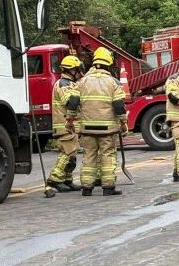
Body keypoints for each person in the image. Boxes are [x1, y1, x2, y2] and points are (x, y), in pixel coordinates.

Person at [75, 47, 128, 196]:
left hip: (87, 128)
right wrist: (123, 122)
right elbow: (119, 106)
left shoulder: (82, 81)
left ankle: (87, 188)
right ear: (108, 64)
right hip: (107, 129)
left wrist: (70, 118)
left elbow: (72, 102)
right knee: (107, 155)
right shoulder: (113, 82)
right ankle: (108, 188)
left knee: (89, 155)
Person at [46, 55, 84, 192]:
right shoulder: (64, 84)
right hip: (64, 125)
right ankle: (54, 180)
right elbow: (70, 102)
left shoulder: (70, 84)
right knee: (67, 153)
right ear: (71, 70)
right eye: (77, 69)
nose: (79, 72)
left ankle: (67, 180)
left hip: (70, 126)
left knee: (72, 155)